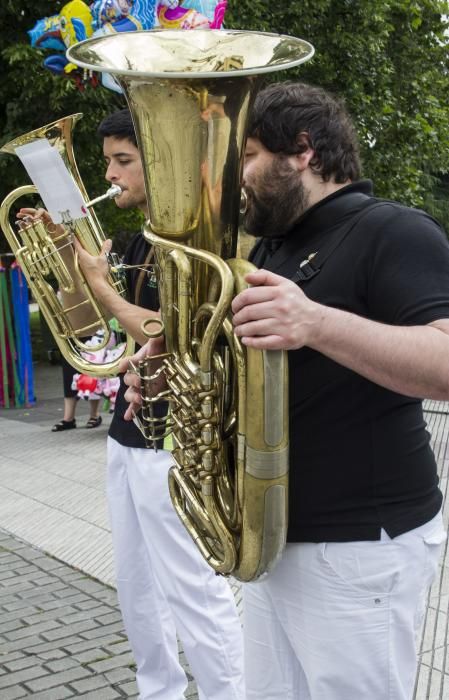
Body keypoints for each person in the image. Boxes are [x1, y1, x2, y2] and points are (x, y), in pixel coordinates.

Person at [124, 82, 449, 700]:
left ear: (304, 150)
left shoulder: (395, 231)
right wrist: (180, 362)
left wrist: (317, 323)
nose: (233, 177)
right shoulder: (273, 245)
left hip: (358, 547)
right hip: (274, 536)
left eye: (244, 156)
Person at [20, 108, 244, 700]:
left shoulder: (193, 239)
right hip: (129, 432)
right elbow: (86, 332)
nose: (111, 175)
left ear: (159, 160)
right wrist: (68, 262)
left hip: (178, 437)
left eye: (124, 161)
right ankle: (159, 690)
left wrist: (100, 287)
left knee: (192, 589)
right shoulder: (126, 239)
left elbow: (165, 330)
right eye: (108, 163)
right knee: (137, 586)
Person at [52, 349, 102, 431]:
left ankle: (94, 415)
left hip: (90, 339)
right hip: (69, 339)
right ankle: (68, 419)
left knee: (92, 373)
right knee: (69, 374)